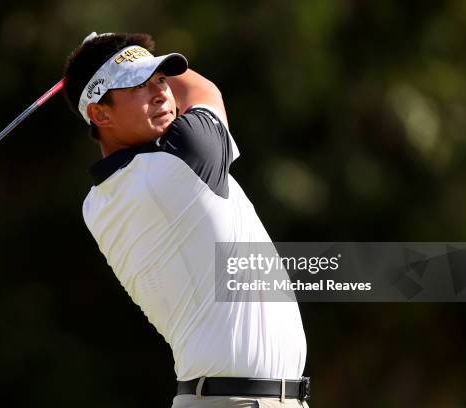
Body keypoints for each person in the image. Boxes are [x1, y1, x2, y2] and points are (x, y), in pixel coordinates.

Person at [63, 32, 310, 408]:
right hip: (237, 402)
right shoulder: (179, 161)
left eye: (160, 78)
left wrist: (118, 57)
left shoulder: (97, 204)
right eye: (137, 86)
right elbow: (204, 90)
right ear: (99, 113)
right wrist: (116, 40)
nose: (161, 93)